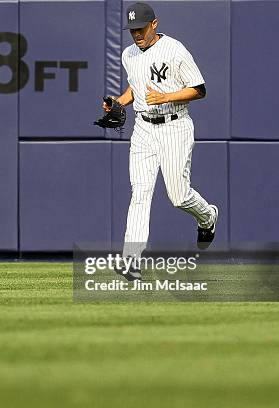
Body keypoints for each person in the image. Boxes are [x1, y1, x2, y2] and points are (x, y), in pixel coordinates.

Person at [106, 2, 218, 281]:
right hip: (143, 128)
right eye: (132, 30)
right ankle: (131, 261)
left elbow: (200, 90)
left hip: (174, 126)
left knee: (179, 196)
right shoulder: (129, 54)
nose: (136, 34)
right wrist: (119, 102)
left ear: (154, 24)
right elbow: (137, 84)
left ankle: (208, 217)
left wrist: (166, 97)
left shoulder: (175, 50)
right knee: (140, 193)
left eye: (141, 28)